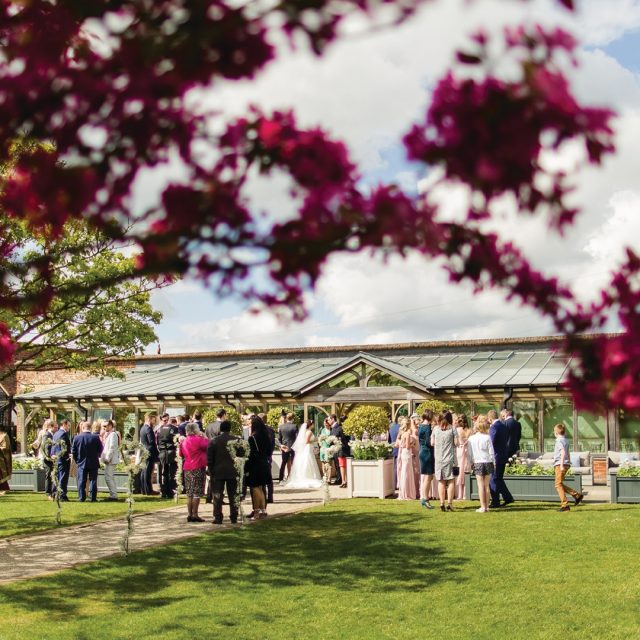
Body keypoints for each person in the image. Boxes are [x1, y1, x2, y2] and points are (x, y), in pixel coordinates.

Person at [207, 420, 240, 524]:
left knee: (217, 495)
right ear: (230, 429)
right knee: (233, 495)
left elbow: (210, 458)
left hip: (218, 471)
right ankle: (234, 516)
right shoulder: (236, 440)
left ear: (220, 429)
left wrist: (210, 470)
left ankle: (218, 517)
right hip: (232, 470)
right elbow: (241, 455)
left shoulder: (214, 441)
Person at [179, 422, 209, 522]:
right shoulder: (200, 440)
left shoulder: (183, 442)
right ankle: (195, 514)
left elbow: (180, 454)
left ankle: (189, 514)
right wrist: (204, 435)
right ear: (196, 430)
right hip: (198, 466)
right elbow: (208, 445)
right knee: (197, 491)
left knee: (189, 492)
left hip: (187, 467)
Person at [283, 419, 323, 489]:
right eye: (313, 424)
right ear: (311, 424)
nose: (313, 425)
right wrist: (315, 440)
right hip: (307, 448)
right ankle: (309, 477)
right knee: (309, 461)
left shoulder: (305, 431)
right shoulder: (309, 432)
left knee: (306, 462)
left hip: (306, 448)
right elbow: (307, 441)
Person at [553, 423, 584, 512]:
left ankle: (565, 505)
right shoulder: (565, 440)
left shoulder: (559, 441)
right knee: (560, 483)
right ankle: (577, 495)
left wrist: (562, 465)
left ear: (556, 432)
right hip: (566, 463)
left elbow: (563, 452)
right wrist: (569, 462)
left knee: (558, 484)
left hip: (560, 464)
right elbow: (567, 452)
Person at [246, 416, 272, 519]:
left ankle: (257, 511)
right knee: (261, 487)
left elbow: (250, 454)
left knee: (256, 488)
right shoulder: (266, 436)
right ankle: (263, 510)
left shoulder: (252, 438)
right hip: (264, 464)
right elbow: (269, 452)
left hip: (255, 465)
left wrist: (247, 468)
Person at [468, 415, 495, 512]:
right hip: (487, 461)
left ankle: (483, 506)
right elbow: (491, 452)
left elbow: (470, 453)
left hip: (477, 462)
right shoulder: (487, 437)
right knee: (486, 485)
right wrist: (494, 462)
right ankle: (486, 507)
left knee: (480, 485)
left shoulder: (471, 438)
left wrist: (471, 463)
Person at [431, 412, 458, 511]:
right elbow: (456, 443)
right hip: (449, 458)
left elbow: (432, 443)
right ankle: (450, 503)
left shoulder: (435, 429)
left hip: (438, 459)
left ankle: (442, 502)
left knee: (441, 481)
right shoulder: (452, 429)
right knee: (450, 481)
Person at [71, 420, 103, 502]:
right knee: (93, 480)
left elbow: (73, 451)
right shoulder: (95, 437)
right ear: (90, 427)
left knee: (81, 480)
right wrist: (97, 455)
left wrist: (77, 460)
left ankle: (82, 497)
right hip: (93, 462)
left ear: (82, 427)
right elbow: (100, 449)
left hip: (81, 462)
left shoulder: (77, 437)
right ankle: (93, 497)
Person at [488, 409, 514, 508]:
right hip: (503, 455)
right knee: (498, 478)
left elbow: (491, 442)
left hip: (496, 457)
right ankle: (508, 497)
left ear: (490, 418)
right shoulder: (503, 426)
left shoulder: (494, 427)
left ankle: (495, 501)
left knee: (493, 479)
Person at [157, 414, 179, 499]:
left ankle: (163, 490)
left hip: (162, 452)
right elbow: (177, 440)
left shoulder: (160, 429)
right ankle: (170, 491)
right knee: (172, 472)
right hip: (171, 452)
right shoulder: (174, 429)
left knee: (164, 472)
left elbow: (157, 441)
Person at [397, 417, 419, 500]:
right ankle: (406, 493)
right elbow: (407, 446)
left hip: (403, 453)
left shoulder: (402, 434)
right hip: (406, 454)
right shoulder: (407, 434)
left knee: (404, 472)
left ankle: (404, 492)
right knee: (406, 472)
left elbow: (399, 444)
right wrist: (413, 444)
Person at [100, 420, 121, 501]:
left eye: (106, 426)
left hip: (111, 460)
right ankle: (113, 494)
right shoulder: (109, 434)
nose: (104, 428)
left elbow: (112, 447)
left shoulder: (113, 434)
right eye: (104, 426)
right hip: (110, 459)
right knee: (109, 477)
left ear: (111, 426)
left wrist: (107, 458)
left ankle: (114, 495)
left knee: (108, 477)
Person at [418, 411, 435, 509]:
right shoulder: (427, 427)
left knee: (427, 477)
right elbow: (429, 442)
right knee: (428, 477)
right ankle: (425, 499)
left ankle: (424, 498)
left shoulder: (420, 426)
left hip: (422, 451)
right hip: (427, 452)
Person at [139, 413, 159, 495]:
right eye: (153, 419)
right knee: (147, 471)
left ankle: (144, 490)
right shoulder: (148, 429)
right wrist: (156, 453)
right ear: (149, 419)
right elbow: (152, 442)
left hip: (144, 452)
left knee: (144, 471)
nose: (154, 421)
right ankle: (148, 490)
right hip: (149, 452)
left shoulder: (142, 428)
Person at [52, 420, 72, 501]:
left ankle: (55, 494)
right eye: (69, 426)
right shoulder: (63, 434)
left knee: (57, 477)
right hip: (62, 459)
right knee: (63, 478)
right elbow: (63, 447)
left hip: (56, 459)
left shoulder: (56, 433)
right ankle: (62, 496)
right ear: (64, 424)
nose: (69, 428)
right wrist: (67, 456)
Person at [277, 413, 298, 483]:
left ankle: (280, 478)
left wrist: (280, 445)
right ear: (293, 418)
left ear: (286, 418)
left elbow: (279, 438)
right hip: (293, 447)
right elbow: (297, 437)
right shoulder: (295, 426)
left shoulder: (281, 426)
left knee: (283, 463)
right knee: (293, 463)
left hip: (284, 447)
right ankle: (293, 478)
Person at [455, 414, 471, 500]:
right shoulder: (470, 430)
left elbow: (455, 442)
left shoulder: (457, 430)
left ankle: (459, 494)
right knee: (466, 471)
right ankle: (466, 493)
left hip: (460, 451)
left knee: (459, 472)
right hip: (467, 451)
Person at [40, 419, 56, 500]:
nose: (56, 428)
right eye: (55, 427)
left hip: (51, 458)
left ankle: (53, 493)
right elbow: (46, 448)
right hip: (47, 459)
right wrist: (49, 457)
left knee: (51, 476)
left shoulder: (51, 434)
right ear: (51, 426)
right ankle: (48, 493)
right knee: (49, 476)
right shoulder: (47, 435)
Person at [388, 418, 401, 488]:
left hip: (394, 450)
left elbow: (389, 441)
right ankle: (398, 484)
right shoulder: (402, 428)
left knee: (395, 468)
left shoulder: (391, 428)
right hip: (401, 449)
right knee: (400, 468)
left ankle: (394, 483)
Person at [0, 425, 12, 494]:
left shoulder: (4, 436)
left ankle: (4, 488)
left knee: (2, 473)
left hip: (2, 458)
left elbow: (5, 447)